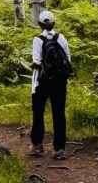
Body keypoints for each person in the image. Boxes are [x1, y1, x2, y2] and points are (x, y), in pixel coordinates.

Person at [29, 10, 72, 160]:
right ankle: (59, 148)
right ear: (54, 23)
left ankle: (37, 145)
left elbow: (37, 62)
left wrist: (32, 65)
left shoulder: (37, 40)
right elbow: (68, 59)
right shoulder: (62, 38)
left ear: (40, 24)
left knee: (38, 112)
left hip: (41, 82)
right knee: (59, 114)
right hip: (59, 82)